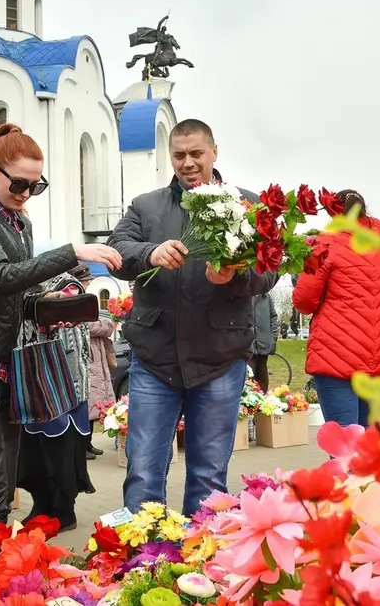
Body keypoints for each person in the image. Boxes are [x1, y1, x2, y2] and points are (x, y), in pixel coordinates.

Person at [0, 123, 121, 530]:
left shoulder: (21, 223)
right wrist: (71, 252)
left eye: (35, 187)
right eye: (19, 183)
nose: (24, 194)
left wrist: (43, 301)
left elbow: (15, 293)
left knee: (3, 486)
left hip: (8, 362)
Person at [107, 118, 277, 517]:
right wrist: (149, 252)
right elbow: (116, 250)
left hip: (220, 359)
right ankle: (142, 559)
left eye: (196, 153)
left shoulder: (247, 204)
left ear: (214, 152)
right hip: (154, 360)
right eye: (179, 155)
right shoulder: (146, 206)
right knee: (144, 471)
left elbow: (268, 272)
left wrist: (236, 274)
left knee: (209, 475)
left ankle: (200, 563)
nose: (187, 163)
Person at [292, 190, 380, 428]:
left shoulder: (326, 243)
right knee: (368, 443)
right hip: (376, 355)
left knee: (343, 445)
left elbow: (303, 301)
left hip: (334, 352)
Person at [17, 266, 96, 532]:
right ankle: (42, 506)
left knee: (62, 453)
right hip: (37, 383)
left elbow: (71, 342)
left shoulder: (68, 287)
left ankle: (64, 512)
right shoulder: (26, 288)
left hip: (64, 386)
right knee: (37, 452)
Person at [82, 272, 116, 459]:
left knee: (94, 406)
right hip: (89, 359)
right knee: (87, 405)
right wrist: (107, 326)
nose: (87, 283)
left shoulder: (86, 298)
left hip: (96, 358)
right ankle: (82, 446)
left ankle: (88, 443)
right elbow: (90, 326)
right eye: (85, 280)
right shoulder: (75, 298)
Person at [248, 292, 278, 393]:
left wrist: (273, 337)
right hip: (248, 344)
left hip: (263, 343)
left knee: (262, 376)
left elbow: (273, 316)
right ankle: (249, 403)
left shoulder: (266, 297)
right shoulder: (244, 294)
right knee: (249, 376)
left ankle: (262, 400)